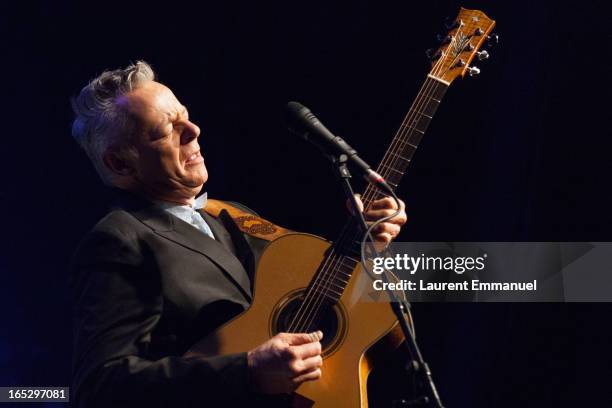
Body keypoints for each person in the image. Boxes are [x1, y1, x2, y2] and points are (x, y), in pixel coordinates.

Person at [70, 61, 407, 407]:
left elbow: (313, 296)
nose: (193, 129)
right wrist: (246, 371)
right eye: (165, 129)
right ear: (120, 164)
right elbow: (99, 388)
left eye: (185, 115)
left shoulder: (231, 214)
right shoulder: (120, 238)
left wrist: (365, 243)